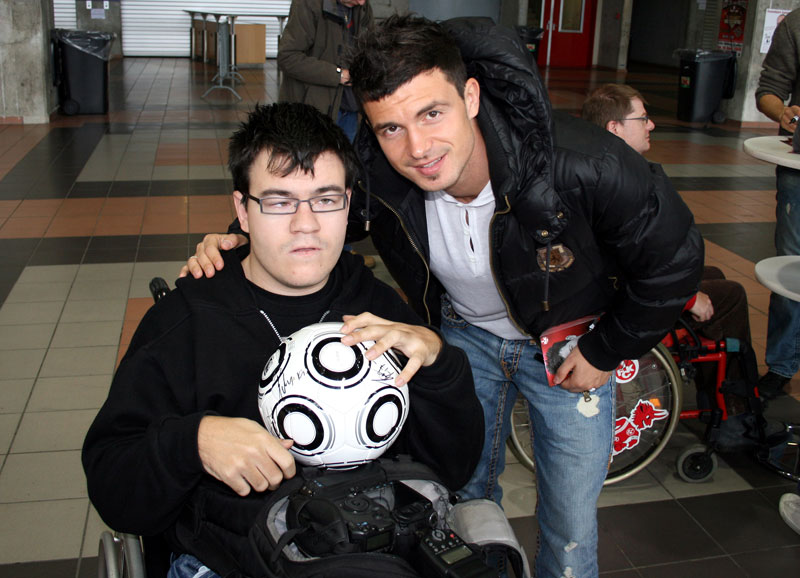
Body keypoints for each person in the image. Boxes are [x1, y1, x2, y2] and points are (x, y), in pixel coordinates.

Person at [182, 16, 704, 577]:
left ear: (471, 96)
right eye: (391, 128)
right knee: (458, 497)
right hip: (462, 339)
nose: (418, 148)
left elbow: (674, 261)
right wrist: (236, 235)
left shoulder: (583, 164)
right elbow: (310, 208)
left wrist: (607, 350)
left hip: (568, 348)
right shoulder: (382, 177)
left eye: (432, 113)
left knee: (570, 522)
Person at [82, 102, 484, 578]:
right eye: (278, 201)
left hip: (369, 552)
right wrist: (192, 442)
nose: (306, 223)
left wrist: (439, 365)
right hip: (232, 558)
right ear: (242, 211)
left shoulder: (381, 313)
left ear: (348, 204)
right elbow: (115, 488)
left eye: (325, 198)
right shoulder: (186, 324)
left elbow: (451, 469)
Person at [583, 83, 753, 407]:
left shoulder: (596, 167)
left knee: (713, 273)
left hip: (613, 289)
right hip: (624, 303)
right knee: (732, 296)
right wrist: (688, 299)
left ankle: (714, 391)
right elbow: (626, 262)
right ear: (614, 128)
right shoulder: (622, 185)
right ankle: (734, 410)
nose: (651, 125)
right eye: (643, 119)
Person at [756, 8, 800, 399]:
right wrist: (783, 112)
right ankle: (783, 364)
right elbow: (769, 89)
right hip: (799, 171)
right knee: (791, 269)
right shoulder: (797, 24)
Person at [278, 0, 371, 142]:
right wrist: (338, 74)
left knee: (344, 162)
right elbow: (288, 57)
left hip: (350, 109)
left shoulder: (362, 7)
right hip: (311, 112)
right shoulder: (307, 4)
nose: (362, 2)